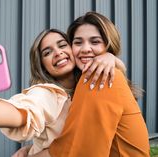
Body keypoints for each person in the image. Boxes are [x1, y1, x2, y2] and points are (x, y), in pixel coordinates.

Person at [0, 29, 125, 156]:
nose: (57, 53)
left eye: (63, 45)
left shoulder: (89, 83)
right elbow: (22, 111)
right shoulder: (48, 94)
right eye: (47, 52)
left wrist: (110, 58)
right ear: (43, 66)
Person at [26, 11, 149, 157]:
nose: (85, 49)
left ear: (109, 45)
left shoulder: (99, 78)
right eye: (78, 42)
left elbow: (74, 150)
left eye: (95, 42)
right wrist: (30, 149)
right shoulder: (90, 80)